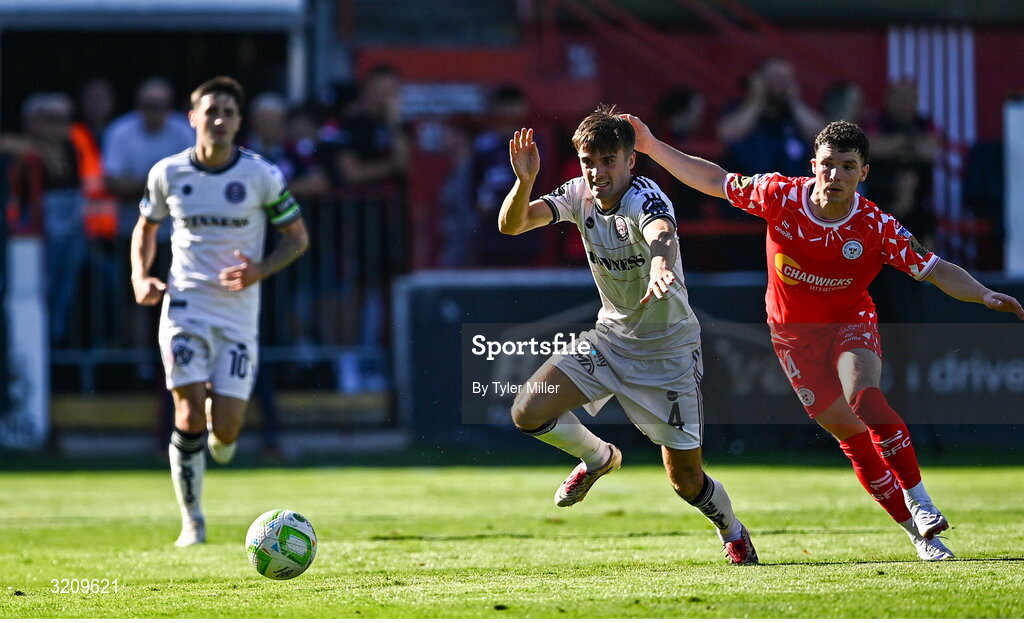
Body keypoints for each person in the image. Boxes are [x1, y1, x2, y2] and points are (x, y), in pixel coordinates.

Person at [623, 114, 1024, 561]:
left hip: (850, 324)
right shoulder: (781, 196)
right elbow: (716, 181)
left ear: (863, 172)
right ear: (813, 164)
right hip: (793, 339)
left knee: (864, 400)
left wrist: (983, 293)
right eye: (828, 165)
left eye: (848, 167)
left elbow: (935, 268)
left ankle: (922, 501)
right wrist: (653, 146)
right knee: (852, 439)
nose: (835, 176)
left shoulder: (875, 226)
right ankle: (919, 536)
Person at [498, 106, 759, 565]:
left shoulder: (646, 197)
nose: (597, 172)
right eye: (588, 162)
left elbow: (661, 231)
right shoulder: (578, 194)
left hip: (669, 352)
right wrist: (524, 182)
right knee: (526, 410)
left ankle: (732, 530)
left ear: (629, 161)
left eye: (607, 161)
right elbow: (512, 225)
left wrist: (661, 262)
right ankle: (599, 458)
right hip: (610, 340)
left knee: (687, 482)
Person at [130, 76, 310, 546]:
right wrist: (140, 276)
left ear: (238, 122)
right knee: (186, 412)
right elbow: (145, 229)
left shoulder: (261, 175)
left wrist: (259, 271)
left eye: (229, 113)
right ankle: (192, 521)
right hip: (184, 306)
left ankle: (219, 437)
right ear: (193, 118)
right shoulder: (168, 172)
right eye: (211, 111)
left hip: (237, 314)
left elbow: (298, 239)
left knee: (225, 432)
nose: (219, 120)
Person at [716, 57, 824, 178]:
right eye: (774, 77)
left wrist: (795, 102)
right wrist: (756, 99)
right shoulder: (740, 109)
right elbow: (727, 134)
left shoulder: (797, 115)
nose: (779, 84)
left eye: (785, 79)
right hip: (747, 188)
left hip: (791, 190)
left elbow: (821, 136)